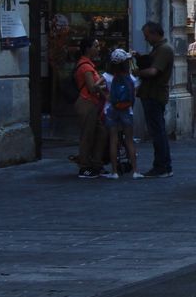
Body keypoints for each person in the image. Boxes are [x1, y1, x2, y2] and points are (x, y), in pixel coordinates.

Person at [136, 21, 174, 178]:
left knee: (157, 132)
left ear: (154, 33)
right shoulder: (159, 49)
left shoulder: (164, 50)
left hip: (154, 94)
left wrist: (137, 72)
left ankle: (162, 166)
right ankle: (163, 165)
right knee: (158, 131)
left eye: (147, 36)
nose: (146, 39)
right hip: (151, 93)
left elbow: (153, 71)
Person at [102, 48, 142, 179]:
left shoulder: (106, 77)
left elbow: (96, 86)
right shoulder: (129, 77)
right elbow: (135, 93)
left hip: (111, 110)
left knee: (113, 140)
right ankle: (135, 171)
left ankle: (114, 172)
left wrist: (106, 95)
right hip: (126, 110)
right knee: (129, 140)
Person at [73, 36, 109, 179]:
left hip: (92, 103)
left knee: (101, 132)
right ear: (88, 48)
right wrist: (103, 83)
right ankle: (84, 167)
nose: (97, 49)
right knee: (87, 135)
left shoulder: (89, 65)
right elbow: (92, 88)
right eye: (95, 46)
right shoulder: (86, 67)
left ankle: (96, 163)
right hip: (87, 102)